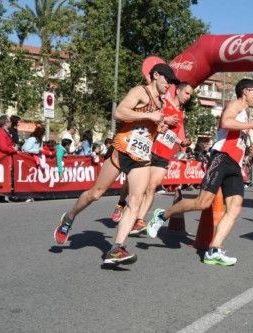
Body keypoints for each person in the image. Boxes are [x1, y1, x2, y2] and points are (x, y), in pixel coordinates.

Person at [53, 63, 179, 265]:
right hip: (121, 149)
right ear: (156, 75)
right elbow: (119, 113)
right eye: (168, 80)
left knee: (135, 200)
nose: (170, 85)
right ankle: (69, 217)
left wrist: (160, 128)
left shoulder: (162, 104)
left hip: (142, 156)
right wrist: (148, 115)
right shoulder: (140, 91)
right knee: (96, 193)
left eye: (172, 83)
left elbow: (147, 130)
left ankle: (116, 248)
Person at [147, 78, 253, 266]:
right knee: (203, 203)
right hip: (221, 159)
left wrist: (246, 148)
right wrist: (251, 126)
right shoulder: (235, 105)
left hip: (235, 164)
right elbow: (225, 122)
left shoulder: (245, 115)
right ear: (245, 91)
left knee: (234, 209)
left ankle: (214, 250)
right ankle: (162, 215)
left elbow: (235, 137)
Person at [110, 82, 193, 235]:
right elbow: (151, 120)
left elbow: (171, 135)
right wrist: (165, 120)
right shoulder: (163, 103)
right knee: (132, 183)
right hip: (149, 148)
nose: (188, 97)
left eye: (190, 95)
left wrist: (182, 142)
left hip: (164, 154)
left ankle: (139, 221)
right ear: (179, 91)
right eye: (187, 93)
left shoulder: (182, 114)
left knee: (151, 187)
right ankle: (122, 202)